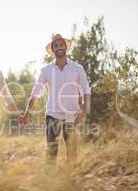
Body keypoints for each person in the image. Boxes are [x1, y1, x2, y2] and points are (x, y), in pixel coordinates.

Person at [20, 34, 91, 165]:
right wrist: (27, 112)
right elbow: (36, 92)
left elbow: (85, 90)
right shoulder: (46, 70)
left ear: (66, 48)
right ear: (52, 50)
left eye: (61, 45)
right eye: (56, 45)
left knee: (71, 152)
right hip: (52, 114)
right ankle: (51, 181)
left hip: (71, 115)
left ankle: (70, 180)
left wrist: (84, 110)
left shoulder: (78, 68)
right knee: (51, 151)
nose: (59, 47)